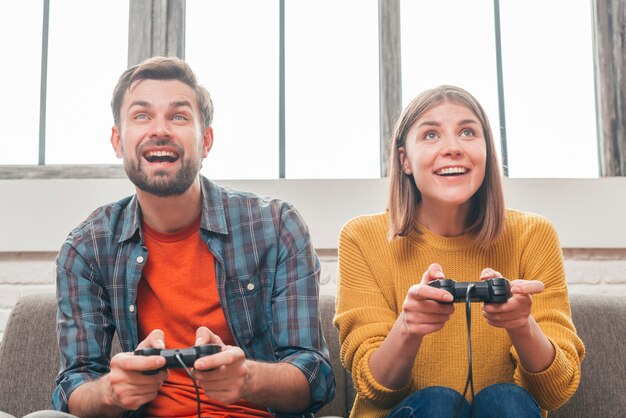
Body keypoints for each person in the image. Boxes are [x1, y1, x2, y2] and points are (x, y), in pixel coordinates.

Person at [50, 56, 335, 418]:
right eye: (142, 116)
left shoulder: (277, 225)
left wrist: (247, 377)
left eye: (179, 116)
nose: (160, 130)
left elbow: (316, 378)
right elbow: (73, 386)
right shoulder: (86, 249)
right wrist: (110, 392)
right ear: (118, 141)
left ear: (206, 141)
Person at [333, 85, 585, 418]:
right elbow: (374, 387)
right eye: (431, 135)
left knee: (507, 400)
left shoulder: (533, 235)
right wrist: (407, 328)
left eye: (467, 132)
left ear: (487, 152)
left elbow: (555, 390)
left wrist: (522, 325)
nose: (452, 148)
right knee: (437, 402)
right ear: (404, 160)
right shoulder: (362, 238)